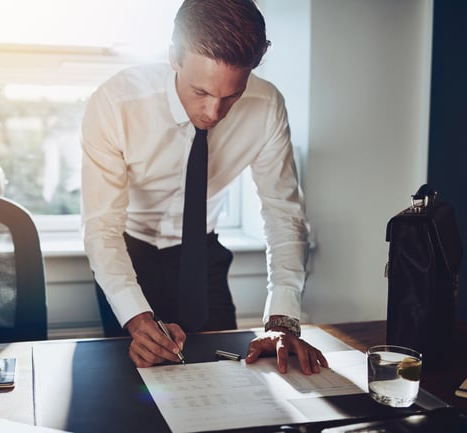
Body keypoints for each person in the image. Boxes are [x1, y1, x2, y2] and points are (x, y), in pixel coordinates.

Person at [81, 0, 328, 375]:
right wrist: (136, 317)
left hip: (202, 256)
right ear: (175, 57)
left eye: (231, 96)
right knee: (130, 386)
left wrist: (283, 321)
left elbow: (283, 214)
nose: (214, 113)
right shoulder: (115, 103)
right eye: (201, 92)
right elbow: (101, 226)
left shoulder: (266, 106)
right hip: (128, 254)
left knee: (228, 374)